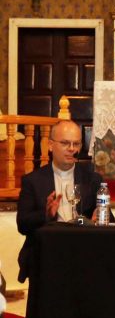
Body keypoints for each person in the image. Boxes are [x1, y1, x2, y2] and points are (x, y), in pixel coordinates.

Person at [16, 120, 103, 282]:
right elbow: (22, 224)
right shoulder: (33, 181)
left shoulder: (92, 179)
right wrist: (47, 214)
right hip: (47, 254)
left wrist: (98, 219)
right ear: (50, 145)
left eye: (76, 144)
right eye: (65, 143)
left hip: (83, 250)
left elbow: (108, 218)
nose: (72, 149)